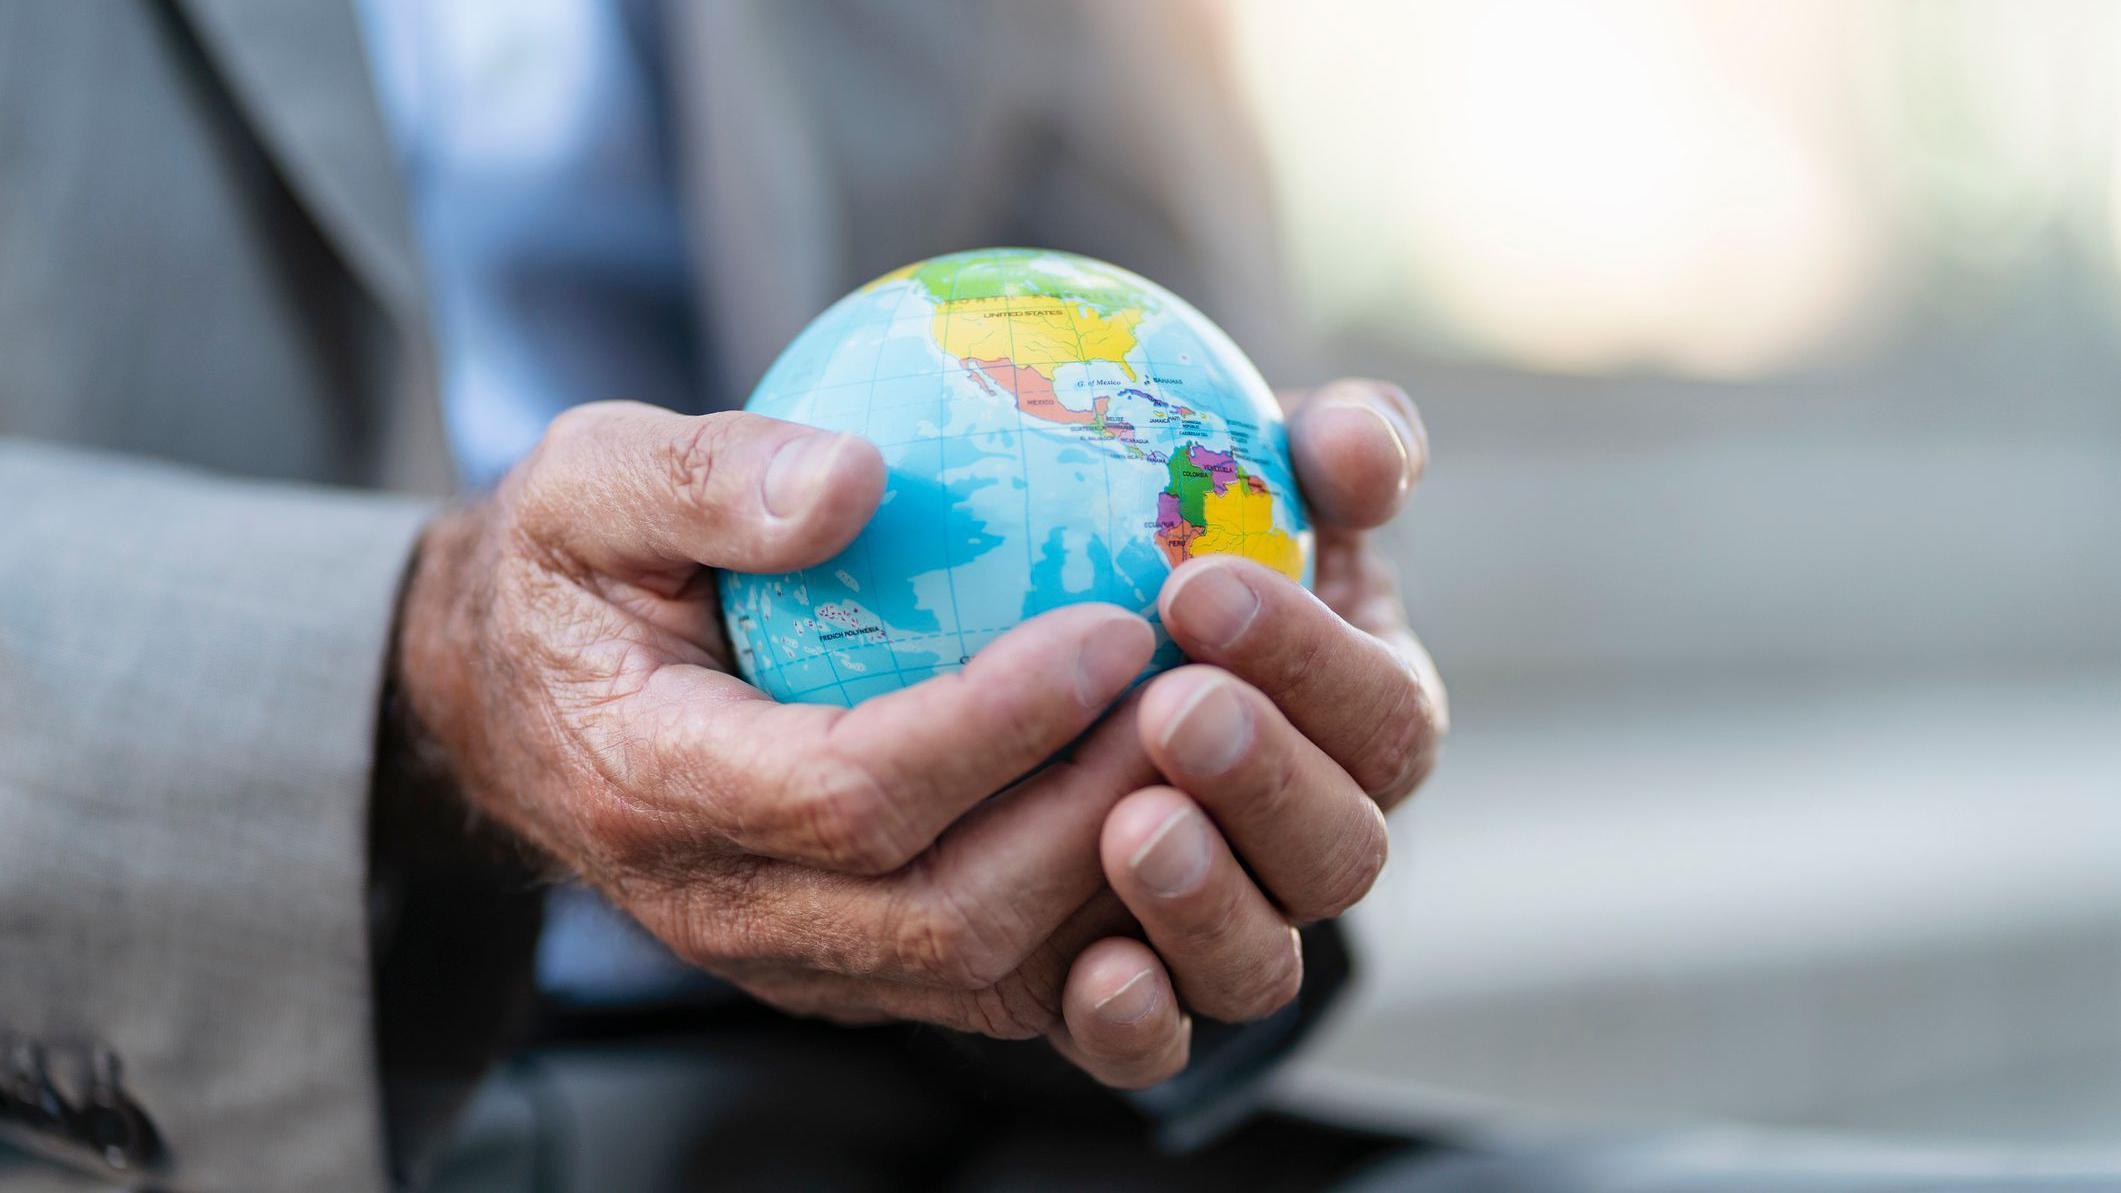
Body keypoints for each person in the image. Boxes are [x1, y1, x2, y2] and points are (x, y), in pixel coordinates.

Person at [0, 2, 1444, 1188]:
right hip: (212, 1091)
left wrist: (1293, 651)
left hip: (907, 1079)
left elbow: (1193, 424)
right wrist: (415, 662)